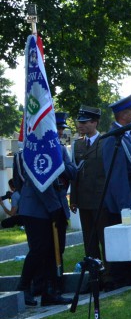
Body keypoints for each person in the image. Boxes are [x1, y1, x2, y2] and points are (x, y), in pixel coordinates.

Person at [15, 113, 77, 306]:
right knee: (39, 249)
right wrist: (53, 207)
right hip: (36, 209)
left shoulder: (58, 148)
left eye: (60, 128)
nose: (58, 131)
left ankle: (51, 292)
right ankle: (24, 287)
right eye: (55, 127)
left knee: (55, 250)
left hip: (57, 206)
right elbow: (36, 181)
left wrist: (58, 163)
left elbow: (72, 171)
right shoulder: (32, 149)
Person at [101, 93, 131, 290]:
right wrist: (126, 207)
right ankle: (122, 281)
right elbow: (117, 177)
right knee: (125, 246)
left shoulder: (128, 134)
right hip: (124, 202)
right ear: (122, 115)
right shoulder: (113, 139)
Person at [69, 105, 105, 259]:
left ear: (95, 123)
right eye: (80, 122)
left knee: (104, 238)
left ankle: (109, 275)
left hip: (101, 199)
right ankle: (94, 274)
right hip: (84, 200)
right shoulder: (78, 144)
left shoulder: (105, 142)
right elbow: (75, 174)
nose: (80, 125)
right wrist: (74, 198)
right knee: (89, 241)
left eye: (85, 122)